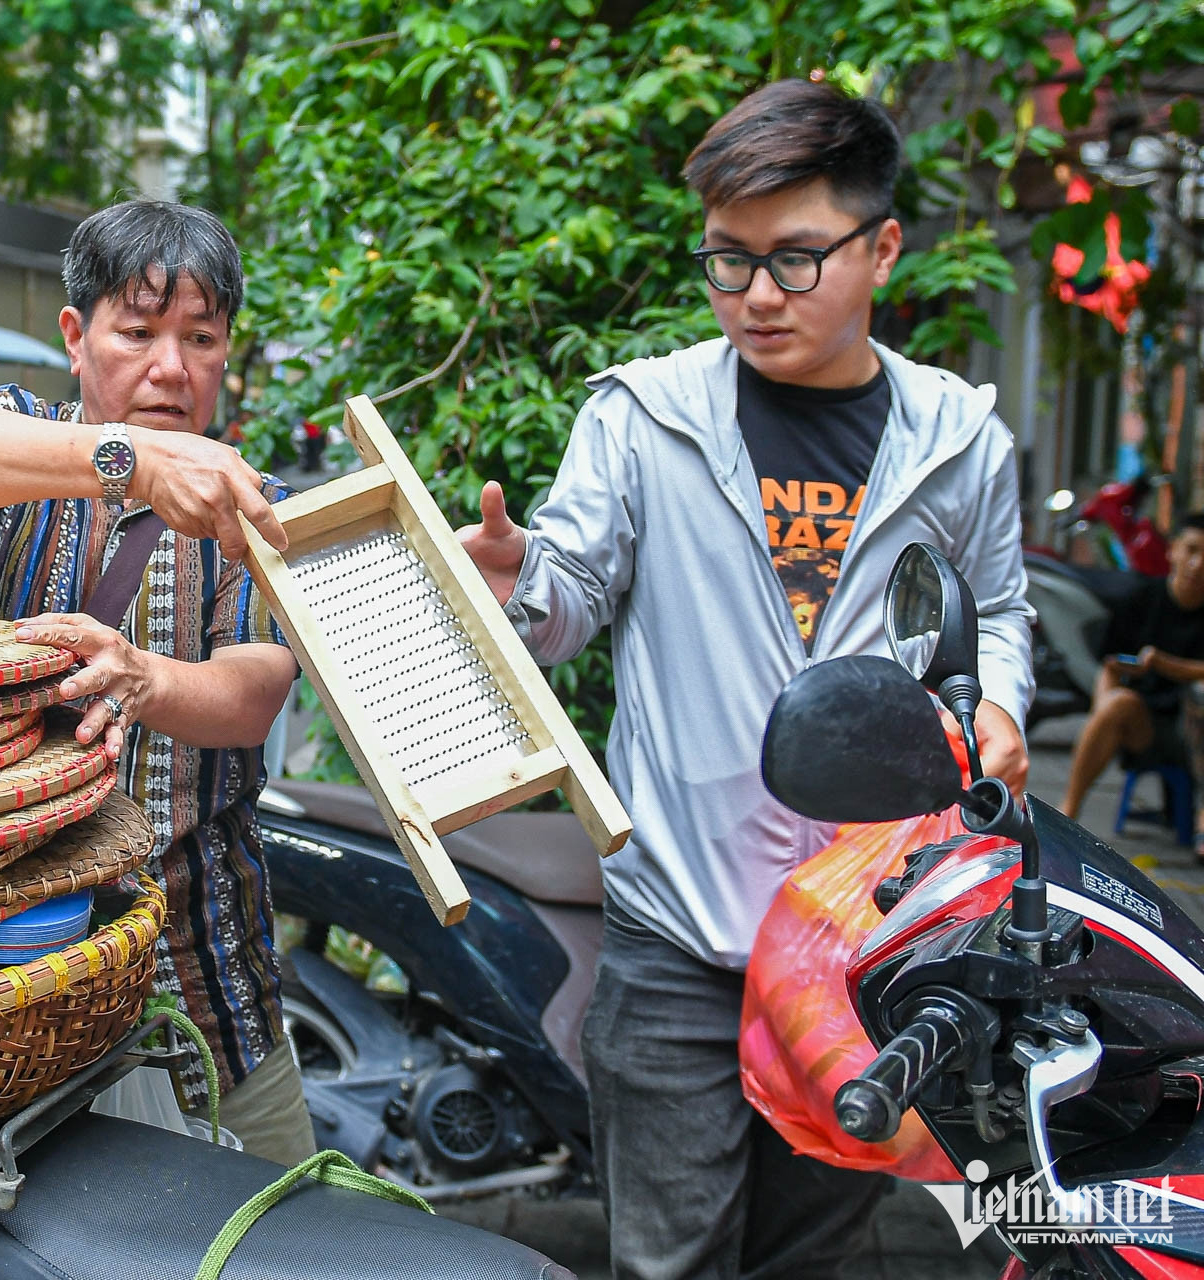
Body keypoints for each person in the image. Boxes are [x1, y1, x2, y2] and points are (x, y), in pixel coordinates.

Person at [458, 79, 1033, 1280]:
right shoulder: (644, 415)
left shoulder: (959, 439)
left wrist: (1003, 704)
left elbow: (1000, 612)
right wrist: (514, 575)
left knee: (813, 1258)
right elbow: (562, 608)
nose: (756, 297)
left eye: (793, 260)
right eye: (728, 262)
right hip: (677, 934)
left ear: (880, 248)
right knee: (669, 1262)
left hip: (864, 933)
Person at [0, 199, 316, 1165]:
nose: (170, 368)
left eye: (200, 338)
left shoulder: (253, 502)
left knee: (283, 1234)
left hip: (204, 975)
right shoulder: (17, 442)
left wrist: (144, 678)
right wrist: (129, 463)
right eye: (137, 333)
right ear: (76, 335)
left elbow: (254, 692)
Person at [1061, 513, 1204, 826]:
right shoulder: (1141, 600)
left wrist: (1167, 664)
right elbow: (1110, 667)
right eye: (1192, 550)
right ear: (1173, 550)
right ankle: (1067, 813)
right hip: (1148, 728)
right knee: (1118, 703)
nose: (1198, 563)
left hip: (1193, 731)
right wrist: (1103, 710)